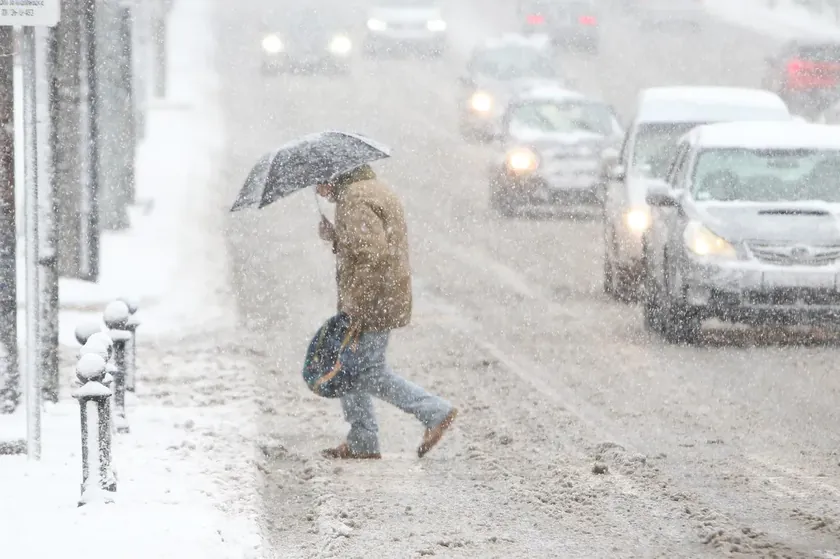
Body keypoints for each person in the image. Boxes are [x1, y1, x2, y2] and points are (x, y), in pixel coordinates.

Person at [315, 164, 458, 459]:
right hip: (384, 294)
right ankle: (362, 441)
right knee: (348, 365)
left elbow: (371, 255)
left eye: (319, 182)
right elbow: (369, 245)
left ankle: (434, 411)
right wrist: (337, 237)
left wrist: (357, 307)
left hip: (372, 300)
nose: (318, 191)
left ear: (333, 176)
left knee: (366, 373)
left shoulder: (353, 199)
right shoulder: (370, 189)